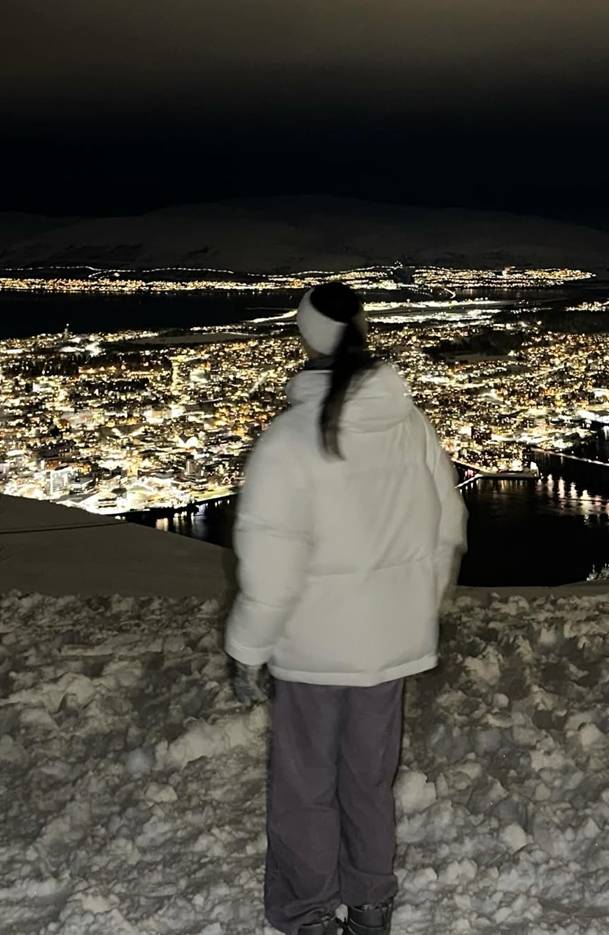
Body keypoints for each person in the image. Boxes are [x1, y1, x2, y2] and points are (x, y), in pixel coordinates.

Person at [225, 282, 468, 935]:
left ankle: (309, 912)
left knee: (306, 784)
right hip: (386, 649)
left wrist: (248, 648)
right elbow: (446, 526)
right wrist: (414, 607)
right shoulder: (410, 423)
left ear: (307, 338)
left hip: (312, 651)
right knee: (368, 778)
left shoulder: (289, 438)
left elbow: (271, 567)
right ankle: (370, 902)